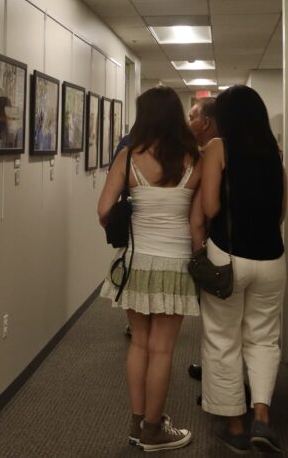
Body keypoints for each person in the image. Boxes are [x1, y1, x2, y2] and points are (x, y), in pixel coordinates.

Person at [97, 87, 205, 452]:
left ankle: (136, 422)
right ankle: (154, 429)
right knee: (162, 351)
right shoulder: (194, 158)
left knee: (140, 344)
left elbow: (103, 211)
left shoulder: (129, 157)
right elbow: (197, 221)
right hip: (175, 265)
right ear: (177, 116)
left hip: (137, 262)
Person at [198, 85, 286, 454]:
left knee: (223, 337)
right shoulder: (274, 153)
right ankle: (262, 418)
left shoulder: (218, 147)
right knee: (264, 337)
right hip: (271, 258)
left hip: (228, 257)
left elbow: (211, 206)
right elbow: (281, 213)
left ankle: (234, 424)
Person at [185, 97, 217, 382]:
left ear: (205, 122)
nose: (188, 120)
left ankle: (219, 385)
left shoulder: (212, 154)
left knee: (219, 321)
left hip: (216, 245)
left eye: (192, 116)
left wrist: (198, 253)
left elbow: (204, 211)